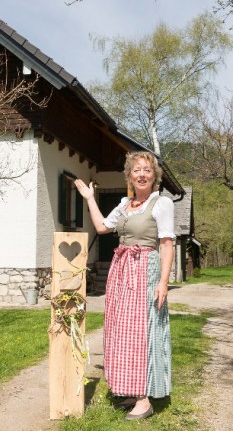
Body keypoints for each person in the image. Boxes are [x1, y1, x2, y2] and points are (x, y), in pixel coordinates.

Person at [74, 151, 174, 421]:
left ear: (155, 176)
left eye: (147, 170)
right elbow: (102, 226)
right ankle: (131, 390)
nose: (141, 174)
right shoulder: (124, 205)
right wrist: (89, 199)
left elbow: (166, 244)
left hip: (146, 270)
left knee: (142, 332)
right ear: (129, 175)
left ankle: (144, 399)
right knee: (121, 331)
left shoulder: (161, 204)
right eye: (136, 170)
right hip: (122, 271)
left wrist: (163, 283)